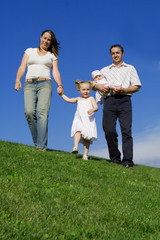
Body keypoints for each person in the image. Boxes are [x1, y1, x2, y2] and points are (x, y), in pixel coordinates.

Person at [15, 30, 64, 151]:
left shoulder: (52, 55)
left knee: (42, 113)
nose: (46, 41)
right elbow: (22, 66)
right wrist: (17, 79)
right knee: (29, 112)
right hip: (29, 84)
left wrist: (60, 84)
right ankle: (38, 141)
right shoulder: (29, 51)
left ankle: (41, 146)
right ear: (41, 37)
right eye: (45, 38)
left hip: (45, 84)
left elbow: (55, 71)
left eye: (49, 40)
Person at [93, 44, 141, 168]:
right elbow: (94, 85)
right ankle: (115, 158)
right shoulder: (104, 70)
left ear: (122, 54)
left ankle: (127, 161)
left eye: (117, 53)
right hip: (109, 101)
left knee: (126, 131)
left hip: (125, 100)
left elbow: (137, 86)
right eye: (113, 53)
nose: (115, 55)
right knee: (108, 130)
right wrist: (100, 87)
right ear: (111, 55)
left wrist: (124, 90)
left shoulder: (130, 68)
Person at [61, 80, 98, 160]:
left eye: (88, 89)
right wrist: (62, 95)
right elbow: (68, 100)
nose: (86, 91)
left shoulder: (91, 98)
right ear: (79, 91)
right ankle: (75, 147)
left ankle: (85, 155)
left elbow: (96, 107)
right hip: (79, 119)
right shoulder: (78, 99)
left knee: (87, 138)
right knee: (77, 130)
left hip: (88, 119)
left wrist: (92, 109)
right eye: (83, 90)